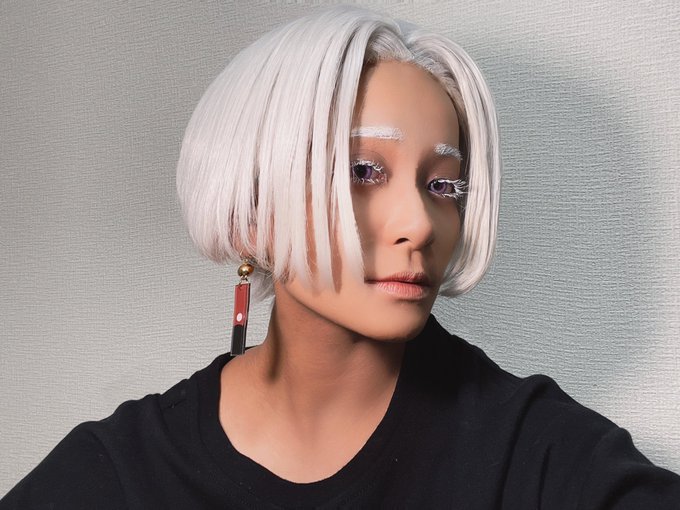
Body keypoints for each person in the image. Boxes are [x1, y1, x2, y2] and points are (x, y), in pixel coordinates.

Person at [2, 5, 679, 509]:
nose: (419, 223)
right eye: (362, 172)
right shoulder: (124, 472)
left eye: (442, 185)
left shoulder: (536, 456)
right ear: (252, 209)